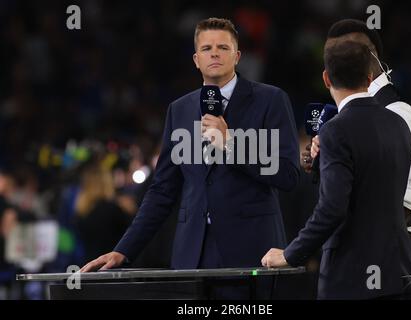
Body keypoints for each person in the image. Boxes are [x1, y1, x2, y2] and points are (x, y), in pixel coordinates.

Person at [81, 18, 300, 298]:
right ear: (196, 59)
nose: (215, 53)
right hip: (192, 255)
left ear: (238, 55)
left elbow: (288, 175)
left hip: (252, 253)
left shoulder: (271, 100)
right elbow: (162, 190)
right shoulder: (180, 110)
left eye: (223, 47)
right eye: (207, 48)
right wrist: (124, 249)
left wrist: (232, 144)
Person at [261, 39, 411, 299]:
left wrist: (291, 254)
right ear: (370, 78)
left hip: (352, 277)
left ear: (326, 78)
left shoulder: (334, 131)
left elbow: (332, 209)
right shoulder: (399, 124)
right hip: (399, 272)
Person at [302, 19, 411, 250]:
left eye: (348, 50)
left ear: (371, 57)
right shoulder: (342, 113)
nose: (340, 56)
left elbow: (404, 204)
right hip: (348, 245)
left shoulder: (399, 113)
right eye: (333, 52)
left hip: (382, 250)